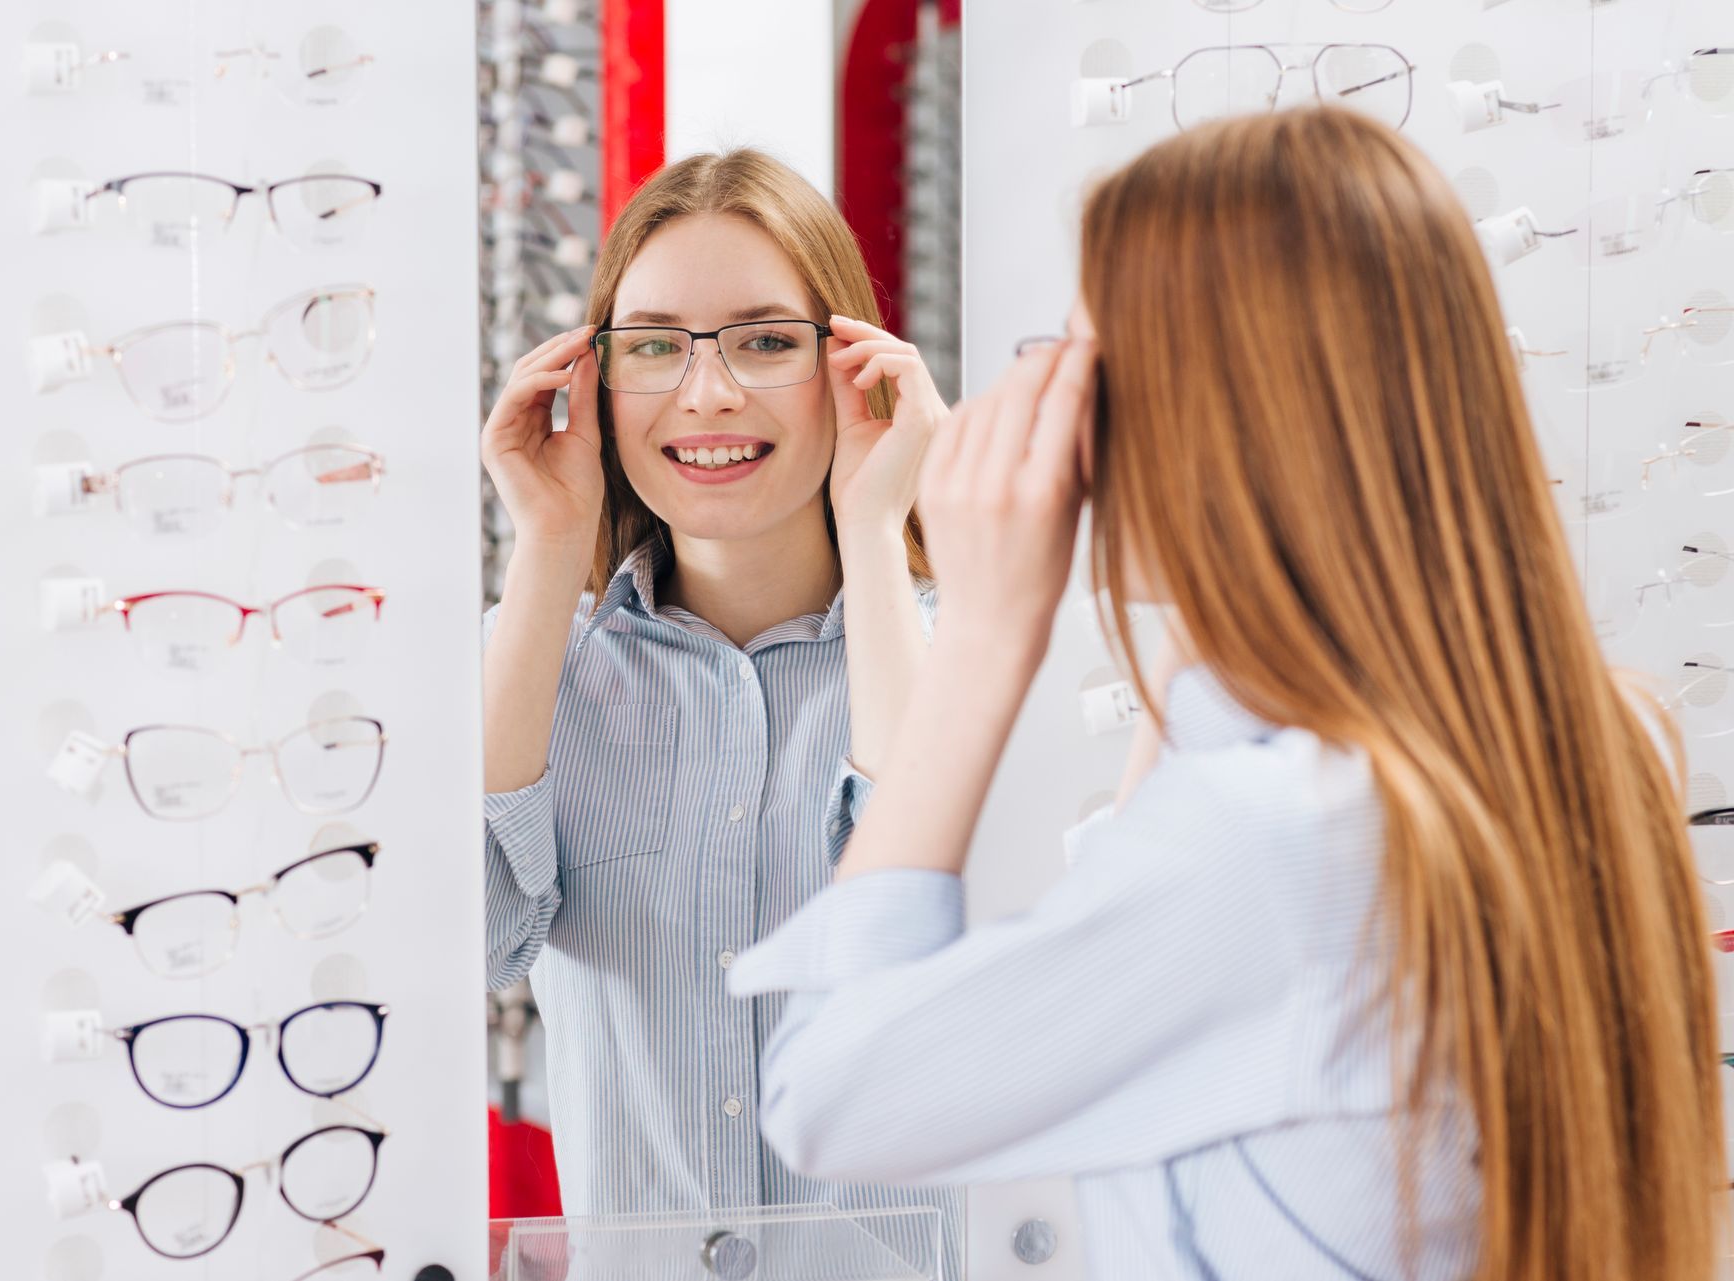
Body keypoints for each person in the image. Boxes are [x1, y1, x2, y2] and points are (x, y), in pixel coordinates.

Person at [730, 107, 1724, 1280]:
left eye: (1082, 367)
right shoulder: (1592, 742)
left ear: (1220, 420)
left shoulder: (1274, 844)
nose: (1051, 412)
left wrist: (990, 636)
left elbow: (828, 1099)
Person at [479, 147, 962, 1263]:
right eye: (653, 346)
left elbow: (918, 931)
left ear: (854, 365)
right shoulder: (534, 670)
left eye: (764, 342)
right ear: (593, 380)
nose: (707, 393)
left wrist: (878, 529)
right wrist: (547, 543)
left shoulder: (959, 653)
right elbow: (478, 942)